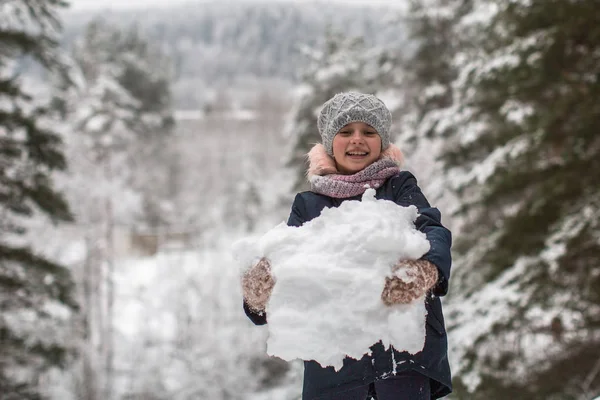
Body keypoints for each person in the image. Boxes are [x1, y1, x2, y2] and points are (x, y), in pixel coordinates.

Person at [242, 92, 452, 400]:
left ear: (382, 142)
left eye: (369, 132)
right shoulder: (308, 205)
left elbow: (432, 229)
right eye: (345, 132)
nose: (357, 140)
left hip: (401, 358)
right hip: (333, 366)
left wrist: (426, 268)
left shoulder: (399, 188)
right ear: (329, 142)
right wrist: (259, 296)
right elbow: (288, 267)